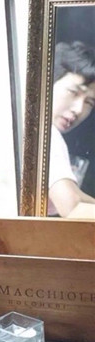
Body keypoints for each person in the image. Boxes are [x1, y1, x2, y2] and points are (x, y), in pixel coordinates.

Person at [48, 41, 95, 217]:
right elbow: (72, 206)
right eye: (73, 92)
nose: (79, 109)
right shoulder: (46, 136)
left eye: (89, 102)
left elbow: (75, 197)